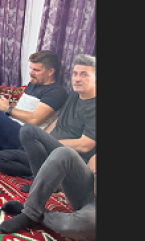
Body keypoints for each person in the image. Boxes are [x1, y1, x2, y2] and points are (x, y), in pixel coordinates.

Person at [15, 54, 96, 193]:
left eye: (84, 75)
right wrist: (45, 138)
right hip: (52, 147)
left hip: (69, 154)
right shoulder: (74, 94)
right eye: (75, 74)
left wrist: (50, 143)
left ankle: (42, 183)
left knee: (28, 130)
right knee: (1, 159)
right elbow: (58, 120)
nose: (77, 79)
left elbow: (85, 145)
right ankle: (52, 179)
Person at [0, 150, 96, 241]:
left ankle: (35, 215)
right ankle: (31, 211)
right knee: (64, 153)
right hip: (90, 188)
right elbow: (93, 160)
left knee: (90, 221)